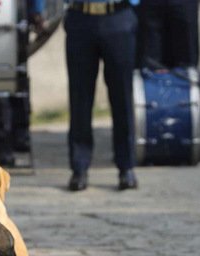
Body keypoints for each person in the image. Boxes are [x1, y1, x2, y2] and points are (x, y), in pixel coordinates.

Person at [64, 0, 139, 192]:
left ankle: (126, 166)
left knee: (122, 97)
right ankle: (79, 167)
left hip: (118, 16)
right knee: (80, 97)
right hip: (80, 16)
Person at [135, 0, 200, 162]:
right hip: (148, 5)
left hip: (183, 4)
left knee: (188, 72)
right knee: (149, 71)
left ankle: (199, 138)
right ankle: (144, 138)